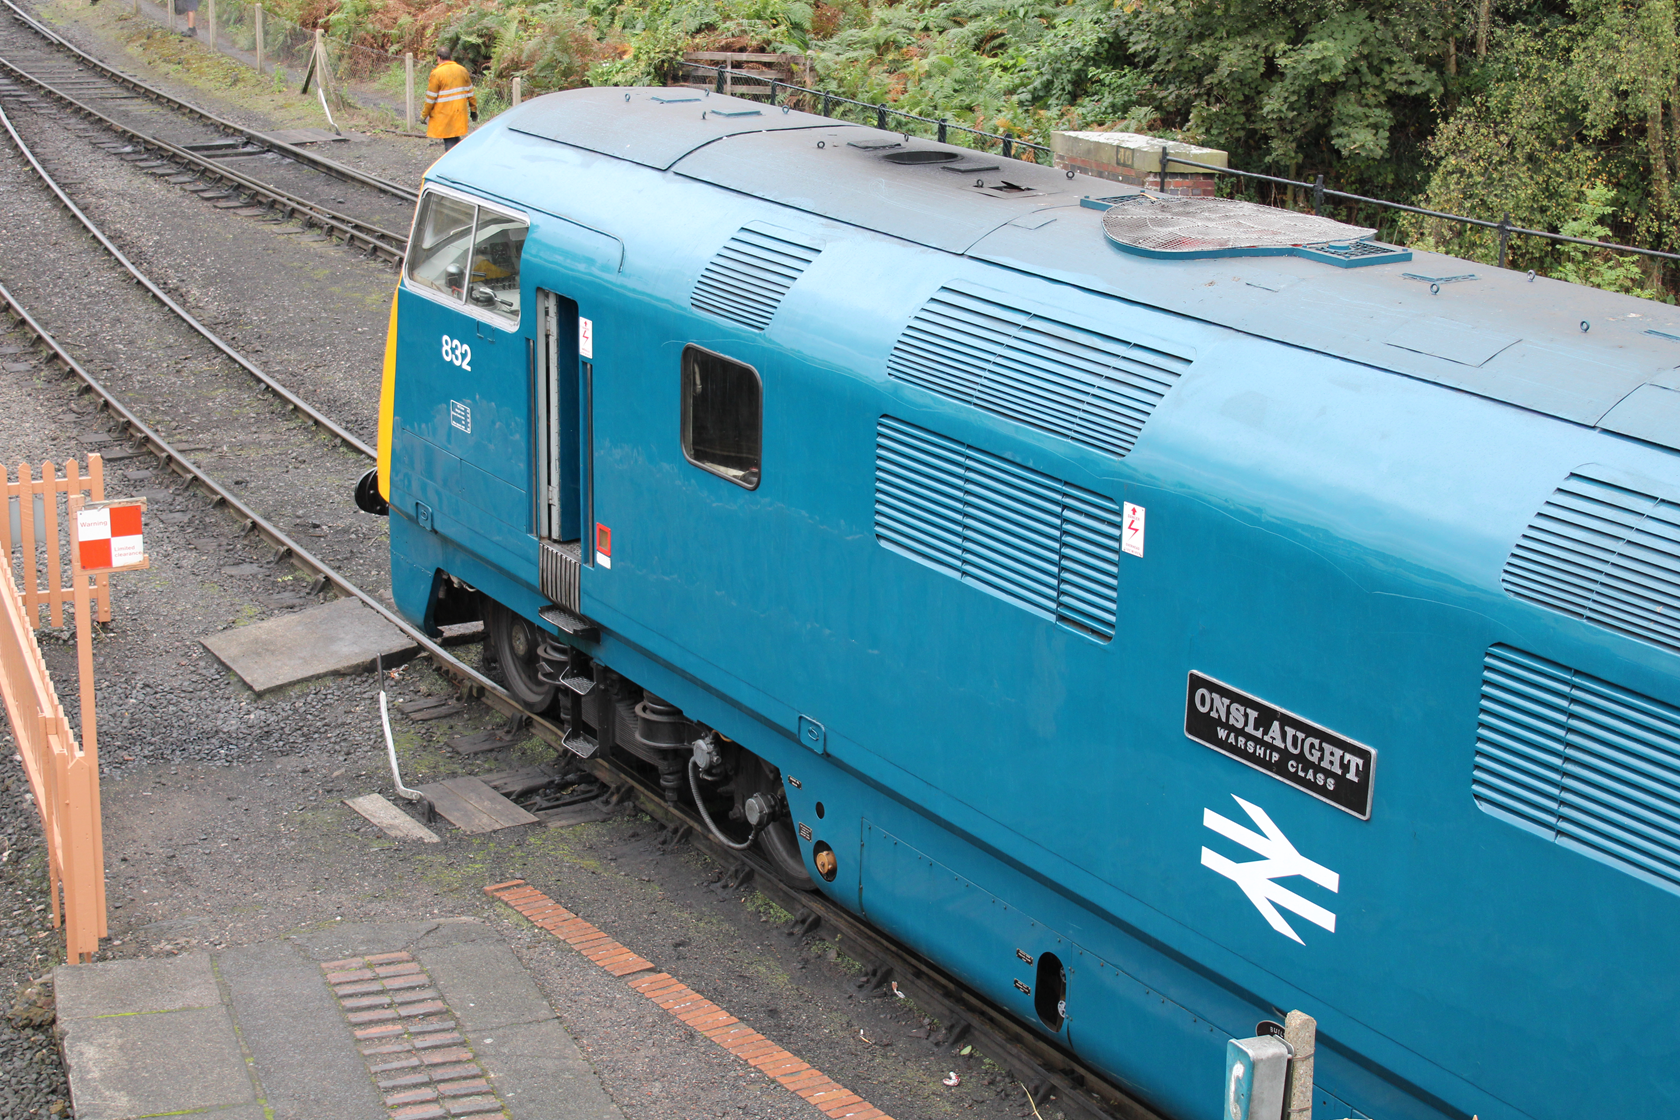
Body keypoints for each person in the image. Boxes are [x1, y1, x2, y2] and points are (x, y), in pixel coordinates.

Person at [422, 48, 477, 153]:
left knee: (449, 142)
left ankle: (452, 162)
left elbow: (430, 98)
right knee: (456, 139)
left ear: (438, 58)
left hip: (445, 115)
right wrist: (473, 110)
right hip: (459, 113)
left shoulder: (437, 74)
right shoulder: (462, 70)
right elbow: (471, 93)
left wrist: (424, 115)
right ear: (450, 57)